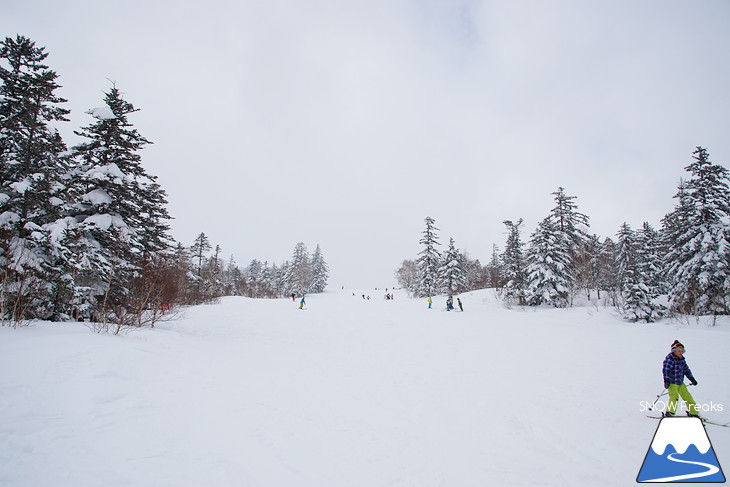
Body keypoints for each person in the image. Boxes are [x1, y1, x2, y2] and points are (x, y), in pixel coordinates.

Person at [662, 340, 699, 417]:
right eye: (679, 351)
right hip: (672, 383)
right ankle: (670, 412)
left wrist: (692, 379)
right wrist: (666, 380)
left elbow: (686, 370)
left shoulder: (682, 360)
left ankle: (693, 412)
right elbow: (666, 370)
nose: (680, 353)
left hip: (680, 382)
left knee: (687, 396)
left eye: (682, 351)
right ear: (674, 351)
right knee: (674, 397)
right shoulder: (670, 359)